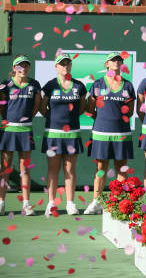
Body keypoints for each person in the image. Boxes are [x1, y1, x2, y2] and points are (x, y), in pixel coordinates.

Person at [84, 52, 136, 215]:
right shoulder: (97, 84)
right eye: (113, 60)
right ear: (107, 64)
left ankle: (119, 203)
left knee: (121, 169)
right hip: (101, 134)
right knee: (101, 167)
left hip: (122, 134)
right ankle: (96, 202)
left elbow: (131, 111)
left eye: (119, 60)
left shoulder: (128, 86)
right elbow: (89, 109)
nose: (117, 62)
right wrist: (104, 121)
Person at [41, 54, 87, 216]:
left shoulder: (79, 86)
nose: (65, 66)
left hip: (72, 135)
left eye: (68, 63)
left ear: (71, 66)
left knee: (70, 170)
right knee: (53, 169)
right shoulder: (49, 85)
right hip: (53, 134)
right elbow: (42, 108)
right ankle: (51, 203)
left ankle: (70, 203)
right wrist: (54, 120)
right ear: (56, 67)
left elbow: (82, 108)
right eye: (62, 64)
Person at [0, 55, 41, 216]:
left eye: (25, 65)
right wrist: (9, 121)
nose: (23, 68)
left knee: (25, 169)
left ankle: (26, 205)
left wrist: (24, 121)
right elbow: (2, 107)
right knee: (5, 170)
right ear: (14, 68)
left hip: (25, 131)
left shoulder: (34, 85)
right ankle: (1, 203)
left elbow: (36, 107)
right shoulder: (5, 84)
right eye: (19, 65)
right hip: (8, 132)